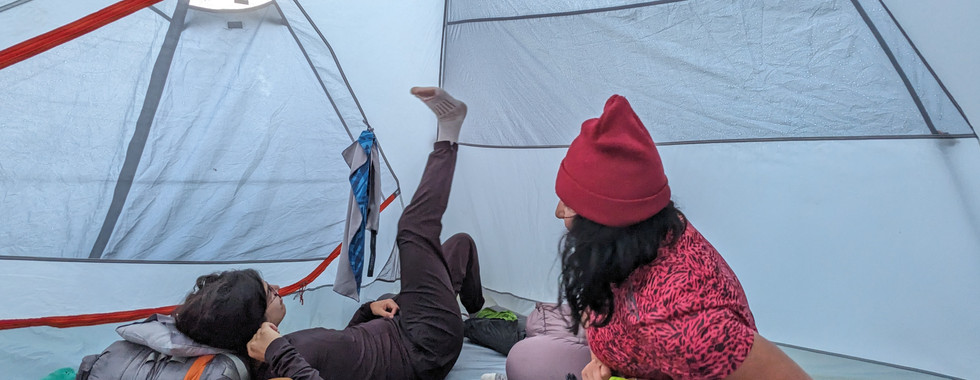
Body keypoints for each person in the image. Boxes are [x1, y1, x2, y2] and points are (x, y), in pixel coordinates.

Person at [177, 87, 484, 380]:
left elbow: (348, 352)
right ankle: (448, 133)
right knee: (413, 230)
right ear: (254, 317)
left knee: (460, 246)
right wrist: (278, 350)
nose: (279, 288)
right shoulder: (273, 364)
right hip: (425, 346)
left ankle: (476, 312)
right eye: (269, 292)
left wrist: (367, 311)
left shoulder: (279, 350)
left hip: (404, 329)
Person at [554, 95, 810, 380]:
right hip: (617, 362)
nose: (557, 212)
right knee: (528, 354)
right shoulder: (643, 236)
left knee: (529, 361)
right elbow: (598, 299)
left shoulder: (689, 323)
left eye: (570, 204)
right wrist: (598, 357)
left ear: (609, 224)